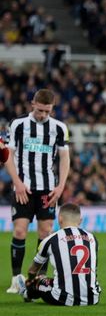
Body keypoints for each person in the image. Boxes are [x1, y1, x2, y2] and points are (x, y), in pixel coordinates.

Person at [4, 89, 70, 293]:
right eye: (40, 110)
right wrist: (17, 182)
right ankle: (16, 278)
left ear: (52, 109)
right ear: (32, 104)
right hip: (23, 187)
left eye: (47, 112)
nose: (43, 115)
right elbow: (7, 155)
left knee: (45, 233)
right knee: (20, 231)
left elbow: (65, 158)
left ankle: (36, 279)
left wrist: (60, 187)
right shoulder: (17, 125)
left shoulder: (59, 128)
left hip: (48, 189)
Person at [18, 203, 101, 305]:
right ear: (80, 220)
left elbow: (32, 271)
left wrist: (30, 280)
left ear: (60, 219)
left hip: (62, 299)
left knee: (40, 279)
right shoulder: (93, 238)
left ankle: (27, 293)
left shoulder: (50, 240)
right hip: (92, 298)